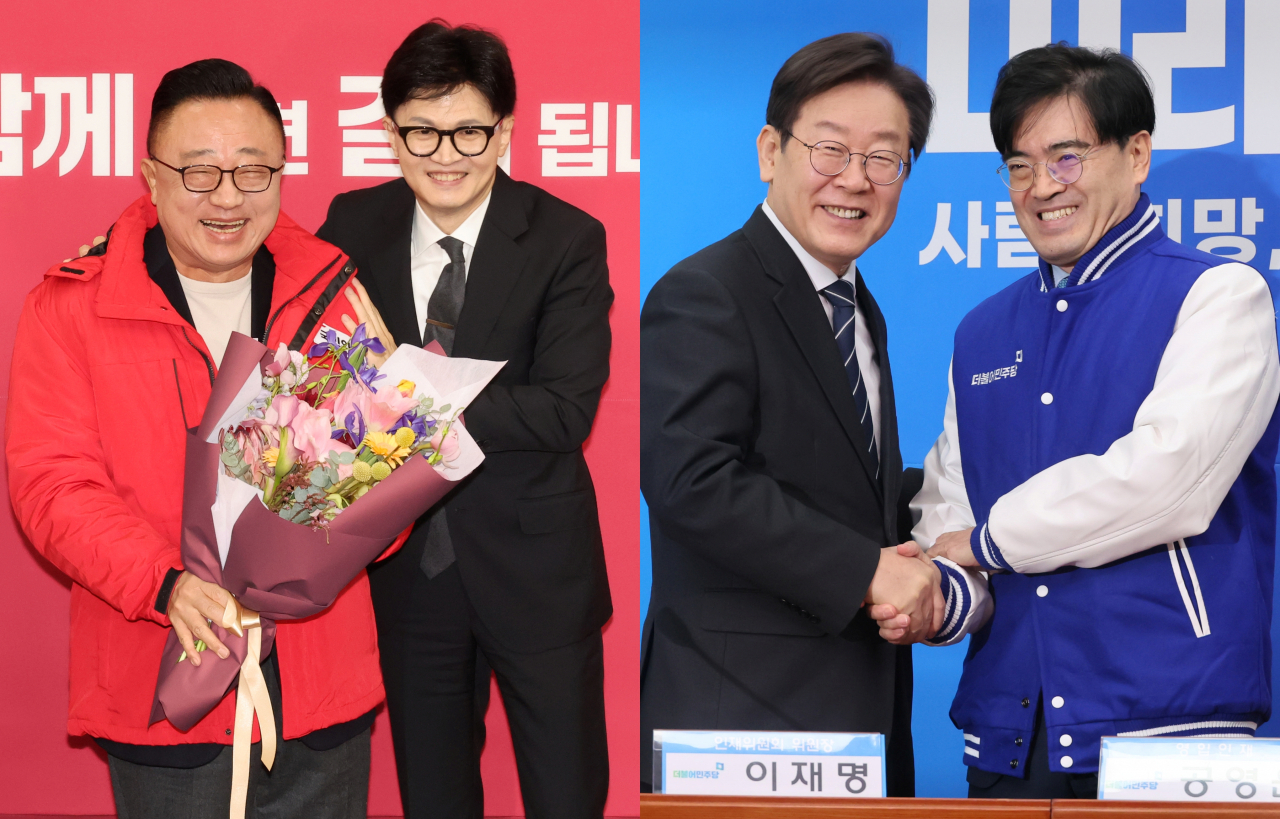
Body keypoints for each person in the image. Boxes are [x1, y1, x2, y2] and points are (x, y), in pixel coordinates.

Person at [7, 59, 398, 817]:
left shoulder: (333, 291)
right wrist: (165, 582)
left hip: (319, 688)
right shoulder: (71, 307)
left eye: (254, 171)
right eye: (199, 172)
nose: (228, 196)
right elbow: (51, 483)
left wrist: (354, 526)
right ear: (150, 176)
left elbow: (384, 460)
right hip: (166, 677)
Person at [897, 44, 1280, 799]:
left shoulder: (1219, 296)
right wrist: (938, 592)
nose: (1041, 187)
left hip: (1171, 726)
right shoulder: (981, 331)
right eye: (1019, 165)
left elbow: (1170, 482)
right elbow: (951, 507)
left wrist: (985, 544)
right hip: (1012, 730)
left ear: (1136, 154)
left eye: (1066, 158)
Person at [314, 20, 614, 819]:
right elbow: (325, 384)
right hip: (408, 577)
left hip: (538, 574)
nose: (445, 153)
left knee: (566, 795)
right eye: (421, 131)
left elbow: (563, 408)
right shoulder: (350, 225)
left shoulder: (567, 239)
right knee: (433, 797)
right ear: (391, 132)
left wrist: (408, 385)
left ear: (505, 129)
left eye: (469, 131)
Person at [640, 33, 939, 796]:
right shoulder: (707, 290)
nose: (857, 179)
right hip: (738, 715)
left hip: (852, 715)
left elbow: (838, 487)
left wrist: (951, 512)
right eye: (831, 149)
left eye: (885, 157)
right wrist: (867, 569)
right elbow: (691, 479)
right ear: (771, 150)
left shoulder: (856, 306)